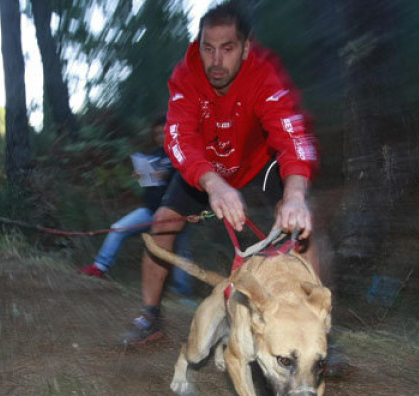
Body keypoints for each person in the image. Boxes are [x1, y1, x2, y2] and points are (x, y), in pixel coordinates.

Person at [120, 2, 320, 346]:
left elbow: (291, 136)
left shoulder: (264, 75)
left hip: (258, 162)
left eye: (227, 49)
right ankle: (150, 316)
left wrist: (296, 196)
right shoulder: (185, 76)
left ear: (245, 48)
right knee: (163, 221)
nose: (215, 61)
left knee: (301, 226)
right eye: (207, 48)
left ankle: (317, 328)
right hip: (206, 170)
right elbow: (178, 138)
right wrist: (213, 184)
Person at [78, 115, 194, 296]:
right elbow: (151, 183)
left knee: (181, 250)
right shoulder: (154, 155)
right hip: (150, 211)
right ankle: (99, 267)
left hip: (177, 213)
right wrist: (142, 176)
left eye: (163, 133)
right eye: (156, 134)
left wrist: (164, 173)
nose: (160, 137)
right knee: (118, 228)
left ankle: (182, 291)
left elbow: (187, 177)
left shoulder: (183, 152)